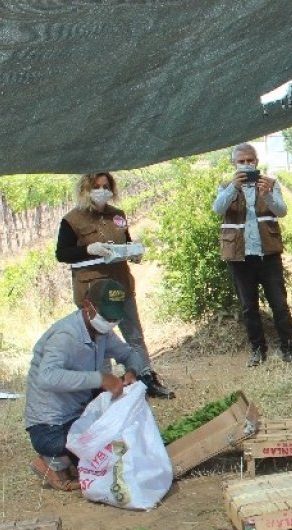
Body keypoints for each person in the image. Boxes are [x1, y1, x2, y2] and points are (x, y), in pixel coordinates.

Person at [56, 172, 174, 398]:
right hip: (93, 289)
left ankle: (146, 379)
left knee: (134, 335)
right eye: (96, 186)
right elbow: (62, 253)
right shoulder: (72, 219)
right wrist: (88, 250)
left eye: (106, 186)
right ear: (85, 189)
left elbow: (125, 242)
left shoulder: (117, 216)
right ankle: (105, 387)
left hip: (120, 284)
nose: (102, 190)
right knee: (98, 340)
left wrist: (133, 252)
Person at [24, 279, 147, 491]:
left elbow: (129, 354)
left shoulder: (103, 332)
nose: (110, 323)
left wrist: (131, 372)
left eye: (114, 319)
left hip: (79, 410)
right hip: (50, 423)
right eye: (106, 317)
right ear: (88, 306)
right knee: (97, 447)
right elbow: (47, 377)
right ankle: (52, 462)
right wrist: (100, 378)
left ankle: (68, 459)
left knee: (118, 441)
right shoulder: (65, 336)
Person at [212, 143, 292, 366]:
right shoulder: (226, 187)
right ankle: (258, 349)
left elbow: (282, 211)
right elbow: (218, 209)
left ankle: (288, 347)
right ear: (234, 164)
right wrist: (233, 187)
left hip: (267, 255)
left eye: (250, 160)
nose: (246, 164)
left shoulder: (269, 185)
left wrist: (267, 194)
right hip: (241, 258)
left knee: (279, 303)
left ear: (257, 162)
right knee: (248, 307)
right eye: (241, 161)